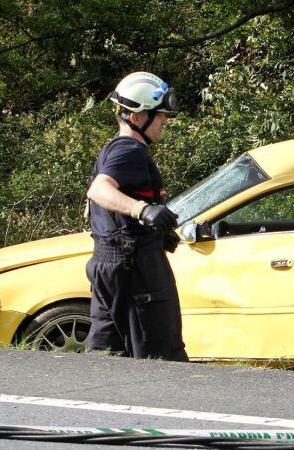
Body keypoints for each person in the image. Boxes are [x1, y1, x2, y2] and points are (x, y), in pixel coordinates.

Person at [84, 71, 188, 360]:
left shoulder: (112, 150)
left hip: (109, 262)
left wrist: (156, 230)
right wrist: (143, 210)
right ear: (137, 118)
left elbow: (92, 205)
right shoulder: (129, 151)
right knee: (159, 358)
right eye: (159, 114)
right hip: (135, 269)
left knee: (107, 354)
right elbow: (99, 191)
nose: (165, 120)